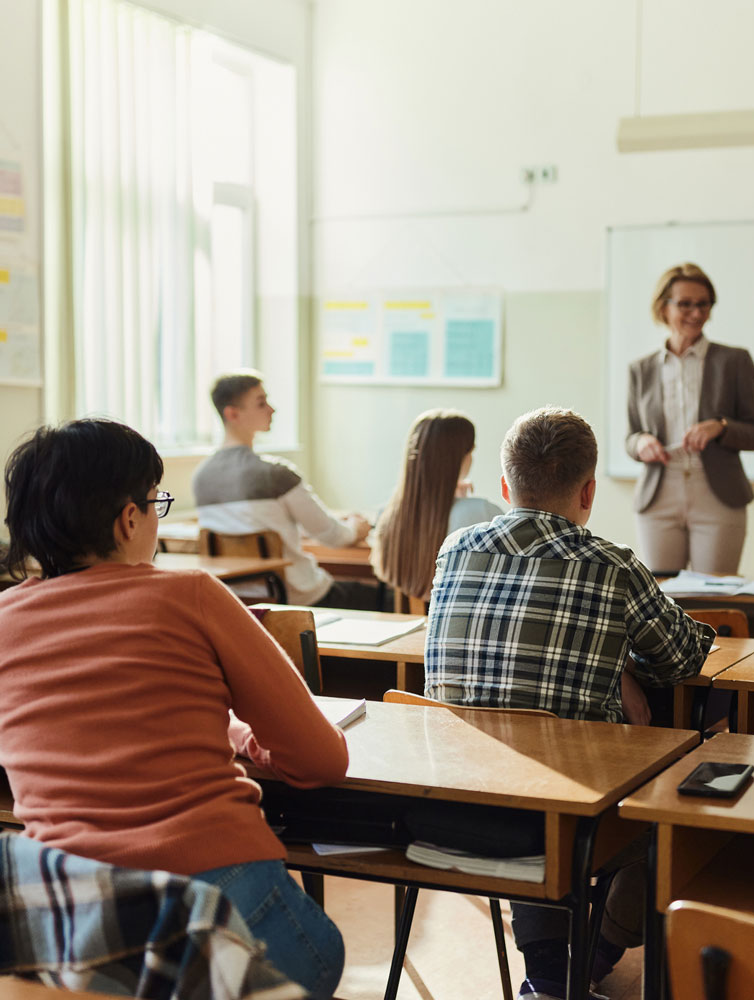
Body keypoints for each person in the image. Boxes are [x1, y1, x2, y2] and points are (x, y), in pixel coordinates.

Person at [0, 418, 350, 997]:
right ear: (129, 518)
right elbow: (321, 760)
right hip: (218, 894)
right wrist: (245, 741)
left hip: (75, 925)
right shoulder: (191, 594)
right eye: (155, 502)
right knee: (321, 951)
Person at [424, 406, 714, 1000]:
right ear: (588, 492)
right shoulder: (612, 565)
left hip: (446, 805)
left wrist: (614, 664)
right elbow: (683, 659)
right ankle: (588, 961)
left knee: (525, 760)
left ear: (506, 487)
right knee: (685, 814)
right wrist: (623, 664)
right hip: (565, 821)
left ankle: (552, 977)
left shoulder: (455, 549)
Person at [625, 262, 754, 574]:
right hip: (658, 495)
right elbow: (630, 437)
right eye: (685, 304)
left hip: (718, 495)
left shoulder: (734, 361)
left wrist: (721, 427)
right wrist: (641, 442)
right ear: (663, 307)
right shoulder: (641, 369)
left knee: (714, 592)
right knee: (660, 594)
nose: (696, 313)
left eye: (704, 304)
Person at [193, 370, 371, 607]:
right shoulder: (275, 474)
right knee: (382, 596)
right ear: (232, 413)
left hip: (239, 603)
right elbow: (332, 536)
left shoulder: (201, 478)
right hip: (299, 598)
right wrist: (356, 528)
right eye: (261, 403)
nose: (272, 409)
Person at [371, 409, 503, 602]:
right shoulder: (481, 513)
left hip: (415, 620)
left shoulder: (387, 515)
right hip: (463, 619)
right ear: (460, 457)